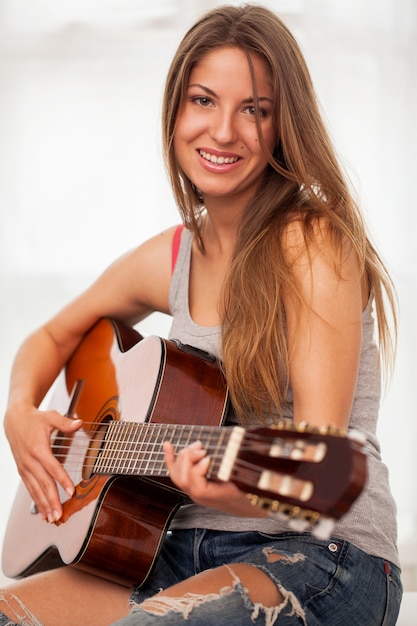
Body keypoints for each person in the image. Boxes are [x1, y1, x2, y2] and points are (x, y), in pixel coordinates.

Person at [0, 4, 402, 625]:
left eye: (255, 110)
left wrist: (234, 493)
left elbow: (320, 473)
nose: (222, 132)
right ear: (176, 113)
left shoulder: (313, 243)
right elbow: (53, 334)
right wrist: (22, 416)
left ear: (283, 126)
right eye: (204, 101)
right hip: (167, 551)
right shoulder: (174, 254)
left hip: (318, 556)